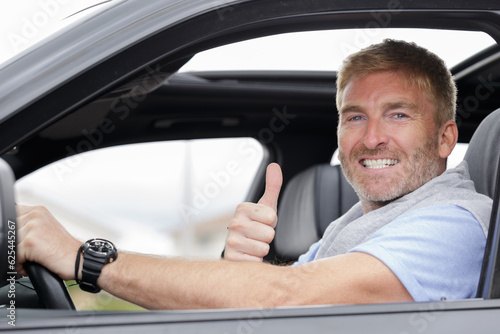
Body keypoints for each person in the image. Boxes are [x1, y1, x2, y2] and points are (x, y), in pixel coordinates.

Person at [16, 39, 492, 309]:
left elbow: (287, 297)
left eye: (398, 115)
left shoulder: (458, 223)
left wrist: (86, 258)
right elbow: (278, 297)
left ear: (447, 138)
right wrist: (241, 272)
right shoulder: (357, 228)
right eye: (354, 117)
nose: (371, 139)